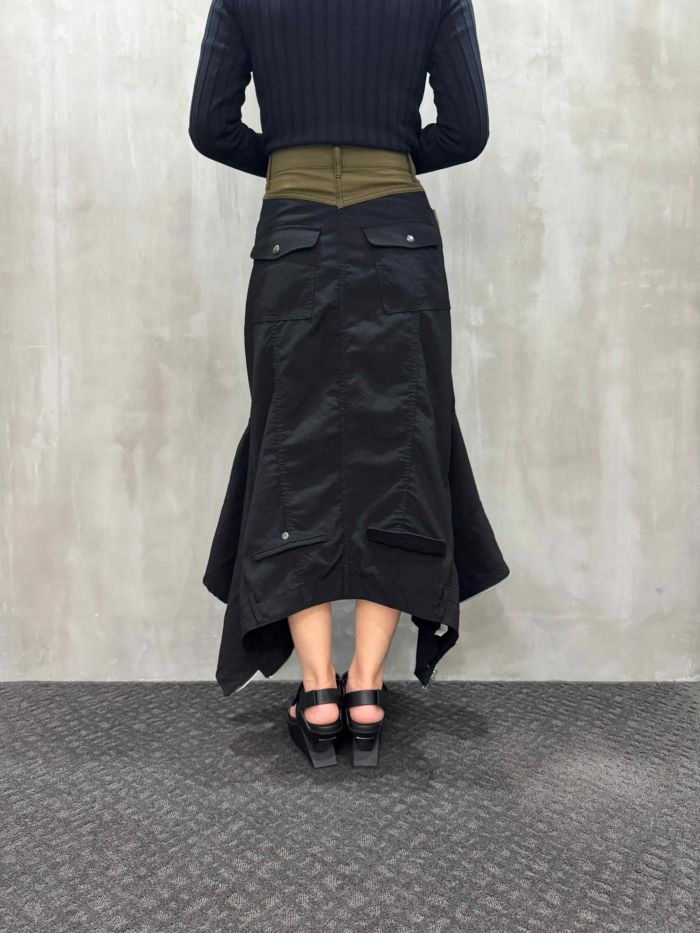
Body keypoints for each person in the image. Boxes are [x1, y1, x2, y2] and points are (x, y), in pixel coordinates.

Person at [188, 0, 510, 769]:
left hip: (291, 238)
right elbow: (466, 131)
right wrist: (385, 153)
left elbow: (211, 126)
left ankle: (319, 687)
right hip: (400, 239)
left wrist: (292, 157)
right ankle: (366, 686)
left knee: (289, 456)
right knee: (402, 452)